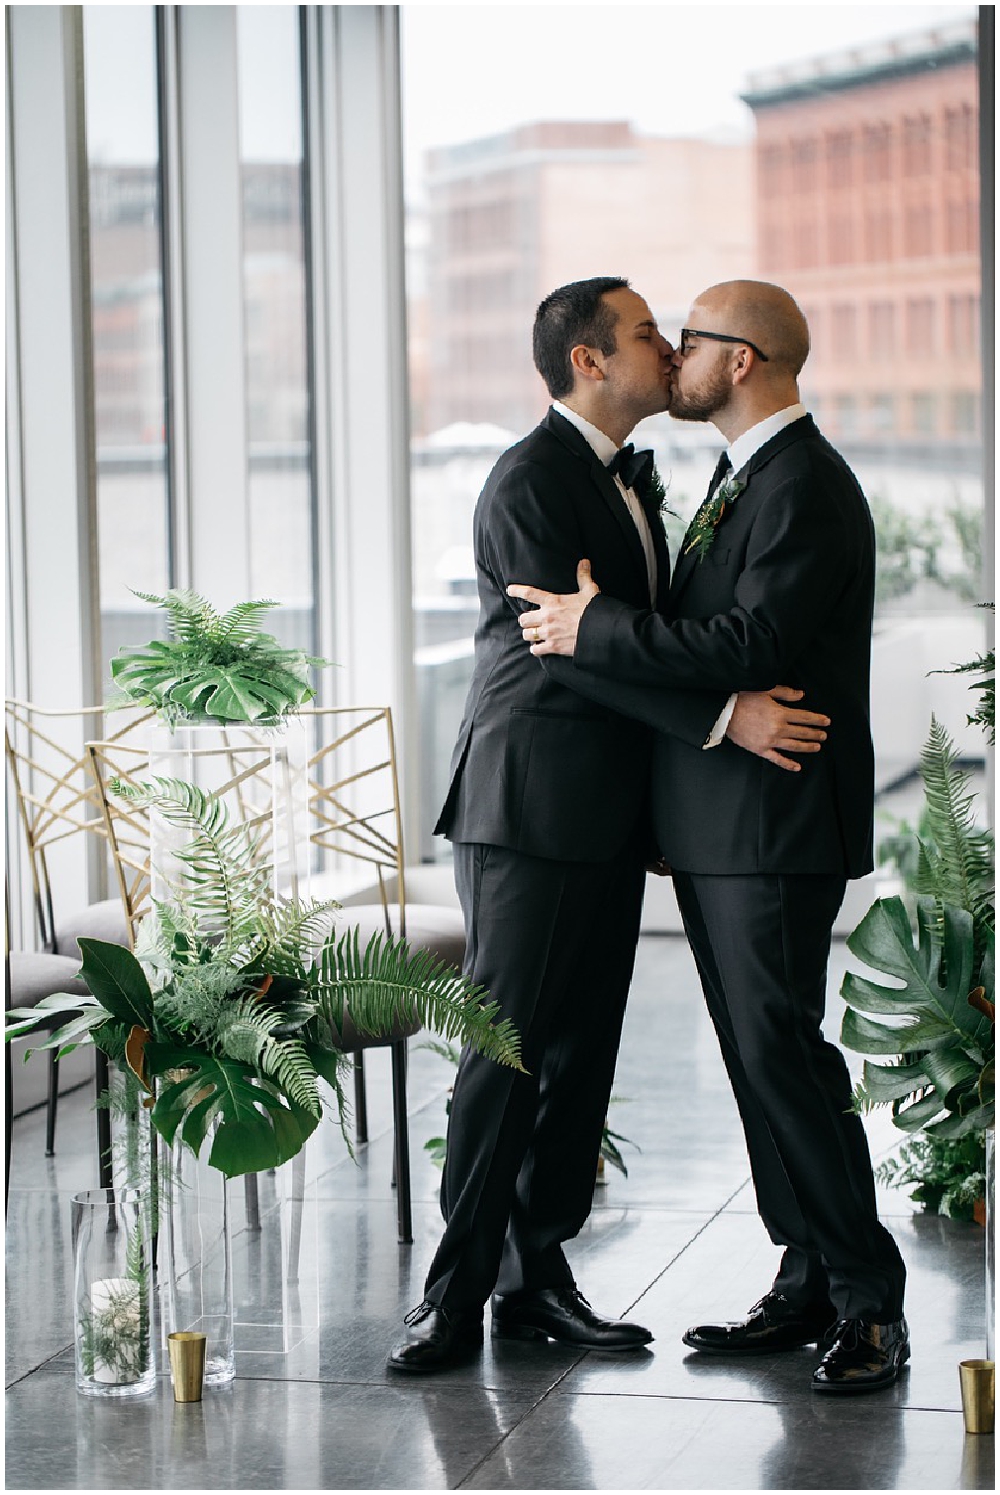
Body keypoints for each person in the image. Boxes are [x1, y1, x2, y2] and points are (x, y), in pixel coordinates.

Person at [387, 277, 829, 1374]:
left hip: (605, 818)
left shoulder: (632, 479)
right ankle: (452, 1297)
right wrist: (726, 714)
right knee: (501, 1049)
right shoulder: (529, 478)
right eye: (644, 335)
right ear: (590, 362)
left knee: (577, 1055)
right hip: (528, 807)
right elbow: (570, 645)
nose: (665, 348)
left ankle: (539, 1276)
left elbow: (629, 633)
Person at [507, 279, 909, 1395]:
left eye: (690, 340)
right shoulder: (743, 477)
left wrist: (599, 626)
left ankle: (870, 1300)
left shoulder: (805, 485)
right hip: (721, 821)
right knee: (756, 1059)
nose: (673, 354)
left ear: (741, 361)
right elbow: (714, 642)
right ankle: (809, 1278)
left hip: (774, 821)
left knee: (783, 1053)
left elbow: (750, 637)